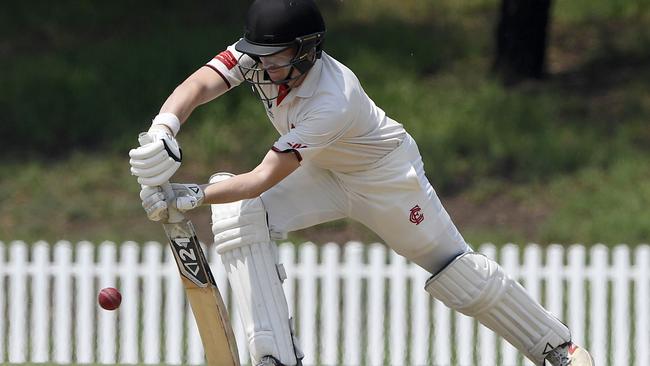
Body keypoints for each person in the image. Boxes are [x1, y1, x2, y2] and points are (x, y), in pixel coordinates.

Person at [129, 1, 594, 365]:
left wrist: (190, 194)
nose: (264, 68)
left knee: (457, 273)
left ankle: (557, 347)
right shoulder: (262, 54)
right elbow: (202, 84)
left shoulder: (333, 99)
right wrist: (164, 128)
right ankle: (276, 355)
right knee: (238, 217)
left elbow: (262, 178)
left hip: (386, 180)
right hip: (324, 172)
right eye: (259, 57)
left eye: (276, 58)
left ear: (307, 48)